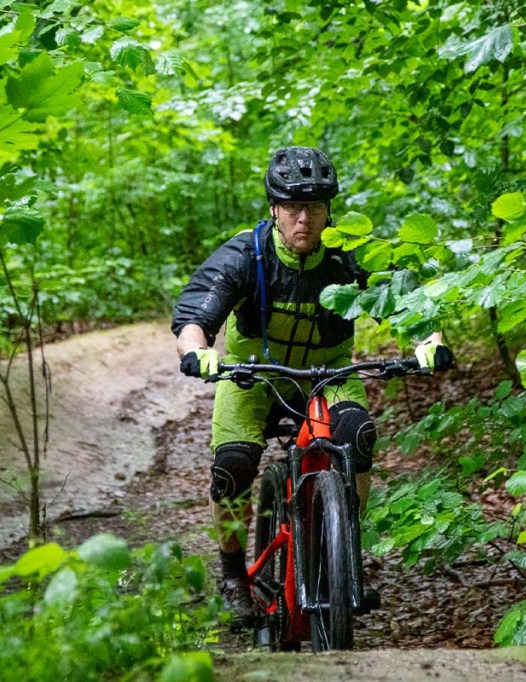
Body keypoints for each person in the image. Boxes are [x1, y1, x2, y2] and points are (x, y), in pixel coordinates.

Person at [172, 146, 453, 622]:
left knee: (358, 439)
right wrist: (198, 351)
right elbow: (196, 315)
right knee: (233, 467)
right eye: (293, 208)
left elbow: (411, 304)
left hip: (330, 373)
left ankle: (345, 556)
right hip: (252, 375)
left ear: (329, 212)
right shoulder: (248, 252)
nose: (304, 219)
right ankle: (233, 577)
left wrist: (431, 341)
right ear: (274, 209)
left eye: (316, 208)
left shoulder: (346, 254)